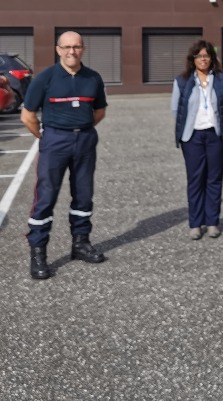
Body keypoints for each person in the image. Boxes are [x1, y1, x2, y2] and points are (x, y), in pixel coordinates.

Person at [21, 31, 108, 279]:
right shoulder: (45, 78)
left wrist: (80, 128)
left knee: (84, 194)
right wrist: (46, 137)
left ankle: (80, 244)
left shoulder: (93, 78)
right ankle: (38, 253)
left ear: (83, 49)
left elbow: (99, 111)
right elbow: (27, 116)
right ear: (58, 49)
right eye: (67, 47)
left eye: (77, 47)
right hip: (54, 141)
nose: (72, 51)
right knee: (46, 196)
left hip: (85, 140)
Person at [171, 40, 223, 240]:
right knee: (195, 179)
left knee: (214, 178)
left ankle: (212, 222)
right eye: (199, 56)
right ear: (193, 59)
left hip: (215, 135)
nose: (203, 59)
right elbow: (175, 109)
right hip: (192, 136)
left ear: (212, 58)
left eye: (206, 56)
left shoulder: (222, 79)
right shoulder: (182, 81)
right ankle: (196, 224)